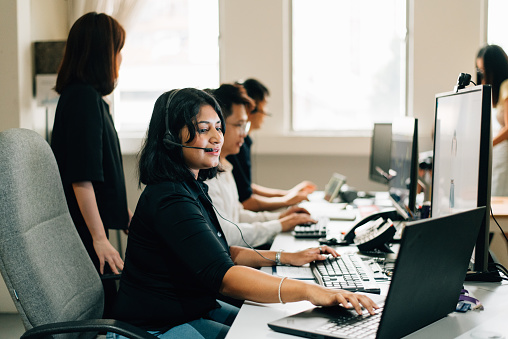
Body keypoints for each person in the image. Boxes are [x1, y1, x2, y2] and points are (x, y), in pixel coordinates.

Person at [108, 88, 378, 339]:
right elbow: (224, 276)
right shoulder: (169, 198)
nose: (216, 138)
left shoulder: (190, 188)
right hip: (153, 329)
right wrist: (313, 291)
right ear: (170, 137)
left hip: (190, 310)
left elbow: (223, 251)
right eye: (203, 129)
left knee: (281, 327)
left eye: (218, 127)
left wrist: (288, 257)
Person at [51, 12, 130, 316]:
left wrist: (125, 217)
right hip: (85, 233)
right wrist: (99, 238)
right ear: (102, 53)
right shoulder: (82, 98)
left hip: (91, 228)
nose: (121, 58)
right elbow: (81, 177)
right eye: (117, 49)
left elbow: (104, 173)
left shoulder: (88, 97)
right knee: (106, 311)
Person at [205, 84, 317, 248]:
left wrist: (281, 218)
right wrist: (279, 224)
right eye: (239, 125)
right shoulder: (206, 178)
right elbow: (227, 235)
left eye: (246, 125)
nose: (244, 133)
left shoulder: (225, 168)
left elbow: (237, 215)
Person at [227, 78, 317, 212]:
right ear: (252, 107)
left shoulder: (244, 141)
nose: (266, 112)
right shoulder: (235, 145)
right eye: (265, 105)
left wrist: (287, 194)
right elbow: (245, 201)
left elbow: (245, 187)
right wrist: (285, 201)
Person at [476, 45, 508, 196]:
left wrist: (486, 145)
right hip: (498, 153)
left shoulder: (506, 86)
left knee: (498, 197)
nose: (482, 76)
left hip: (504, 154)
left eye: (483, 71)